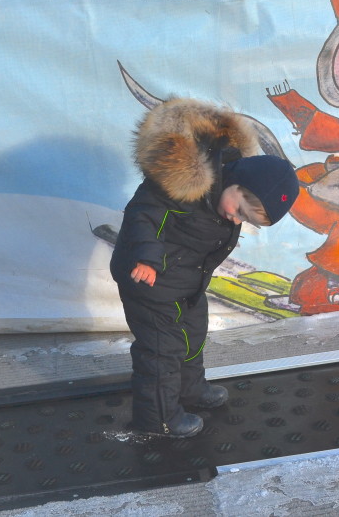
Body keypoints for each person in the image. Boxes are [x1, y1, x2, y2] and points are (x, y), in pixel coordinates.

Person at [110, 97, 300, 438]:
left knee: (192, 335)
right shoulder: (184, 188)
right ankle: (158, 420)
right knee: (160, 349)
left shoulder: (225, 197)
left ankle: (190, 390)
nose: (236, 218)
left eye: (245, 220)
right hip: (148, 278)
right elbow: (142, 215)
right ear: (237, 182)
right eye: (240, 210)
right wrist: (147, 258)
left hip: (186, 281)